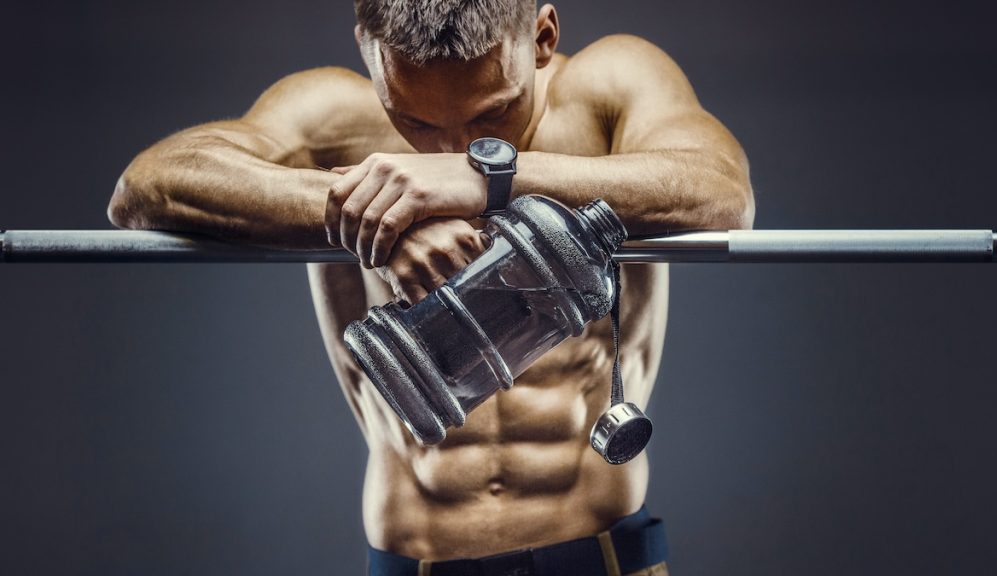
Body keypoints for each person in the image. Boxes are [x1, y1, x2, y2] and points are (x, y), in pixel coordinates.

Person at [107, 1, 754, 574]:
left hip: (603, 549)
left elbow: (722, 193)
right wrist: (367, 216)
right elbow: (146, 189)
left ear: (543, 36)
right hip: (418, 557)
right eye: (413, 121)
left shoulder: (611, 85)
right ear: (368, 48)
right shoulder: (337, 117)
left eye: (494, 114)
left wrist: (488, 181)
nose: (453, 146)